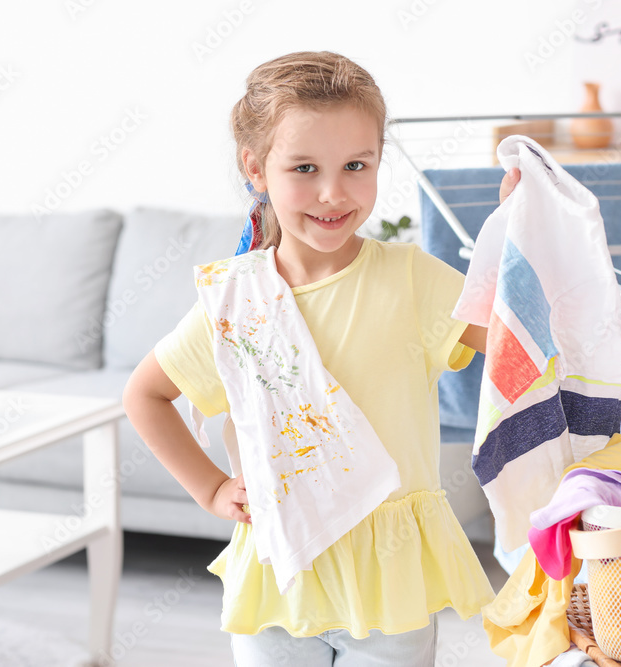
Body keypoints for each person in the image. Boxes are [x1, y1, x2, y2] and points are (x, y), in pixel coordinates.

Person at [122, 50, 521, 667]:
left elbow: (512, 343)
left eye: (355, 165)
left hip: (389, 587)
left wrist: (516, 235)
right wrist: (211, 489)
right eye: (305, 167)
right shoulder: (236, 302)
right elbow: (144, 395)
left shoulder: (412, 280)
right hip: (278, 581)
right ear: (255, 168)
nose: (333, 193)